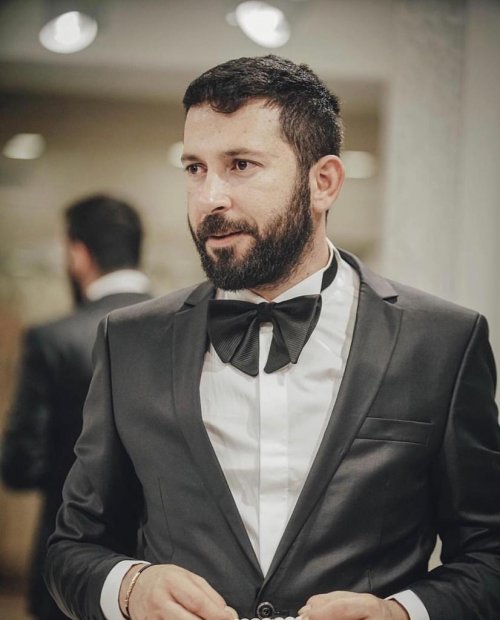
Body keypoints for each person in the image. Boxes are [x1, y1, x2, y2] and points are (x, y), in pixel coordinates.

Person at [44, 56, 500, 620]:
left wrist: (402, 613)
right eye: (194, 168)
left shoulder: (443, 342)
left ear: (323, 182)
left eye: (240, 165)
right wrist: (128, 587)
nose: (209, 197)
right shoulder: (130, 340)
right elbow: (71, 548)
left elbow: (488, 554)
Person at [1, 194, 152, 620]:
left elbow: (20, 466)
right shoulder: (187, 329)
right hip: (160, 568)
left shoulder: (52, 340)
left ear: (79, 253)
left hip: (69, 567)